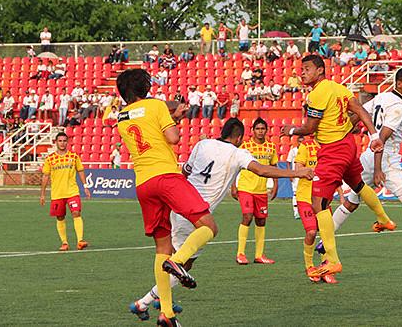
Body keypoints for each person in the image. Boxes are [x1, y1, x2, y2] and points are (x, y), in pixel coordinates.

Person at [129, 118, 312, 321]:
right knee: (179, 263)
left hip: (180, 205)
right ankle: (155, 307)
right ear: (239, 137)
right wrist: (297, 173)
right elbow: (261, 170)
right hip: (197, 214)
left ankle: (149, 303)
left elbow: (185, 172)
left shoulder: (202, 144)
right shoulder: (237, 153)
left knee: (175, 262)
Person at [316, 67, 402, 267]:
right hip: (385, 159)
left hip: (367, 157)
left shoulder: (381, 97)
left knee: (352, 202)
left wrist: (343, 132)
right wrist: (380, 168)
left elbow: (359, 113)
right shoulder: (399, 106)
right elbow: (382, 137)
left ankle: (323, 241)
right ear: (399, 84)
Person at [116, 68, 216, 327]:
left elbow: (147, 120)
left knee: (161, 247)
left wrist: (171, 112)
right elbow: (172, 138)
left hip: (143, 184)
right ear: (145, 87)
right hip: (166, 177)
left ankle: (167, 314)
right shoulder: (157, 106)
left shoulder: (121, 116)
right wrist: (174, 119)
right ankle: (178, 261)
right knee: (208, 227)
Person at [280, 54, 392, 278]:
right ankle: (384, 219)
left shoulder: (318, 93)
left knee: (318, 203)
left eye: (307, 69)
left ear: (320, 71)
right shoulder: (339, 88)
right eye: (301, 69)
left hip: (332, 150)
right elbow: (360, 111)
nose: (302, 72)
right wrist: (373, 135)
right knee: (358, 185)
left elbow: (310, 128)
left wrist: (291, 130)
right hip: (348, 145)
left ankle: (332, 260)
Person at [231, 118, 279, 264]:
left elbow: (274, 167)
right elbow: (235, 166)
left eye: (262, 129)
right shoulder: (245, 146)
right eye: (257, 129)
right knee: (247, 216)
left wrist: (275, 185)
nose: (260, 131)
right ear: (252, 130)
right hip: (246, 188)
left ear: (266, 130)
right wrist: (233, 185)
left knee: (261, 220)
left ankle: (259, 255)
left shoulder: (271, 147)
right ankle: (240, 253)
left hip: (261, 190)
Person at [293, 136, 337, 284]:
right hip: (305, 197)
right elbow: (298, 169)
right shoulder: (306, 145)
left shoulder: (331, 146)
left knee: (326, 235)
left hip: (323, 197)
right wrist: (316, 171)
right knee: (311, 232)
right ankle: (309, 266)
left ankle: (325, 269)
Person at [39, 132, 91, 251]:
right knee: (60, 217)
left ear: (67, 142)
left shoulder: (73, 156)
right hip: (57, 194)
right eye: (60, 141)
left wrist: (85, 186)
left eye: (64, 141)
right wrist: (42, 194)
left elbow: (81, 170)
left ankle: (80, 241)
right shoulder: (50, 159)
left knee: (76, 213)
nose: (62, 143)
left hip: (72, 192)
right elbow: (45, 176)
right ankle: (64, 242)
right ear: (56, 142)